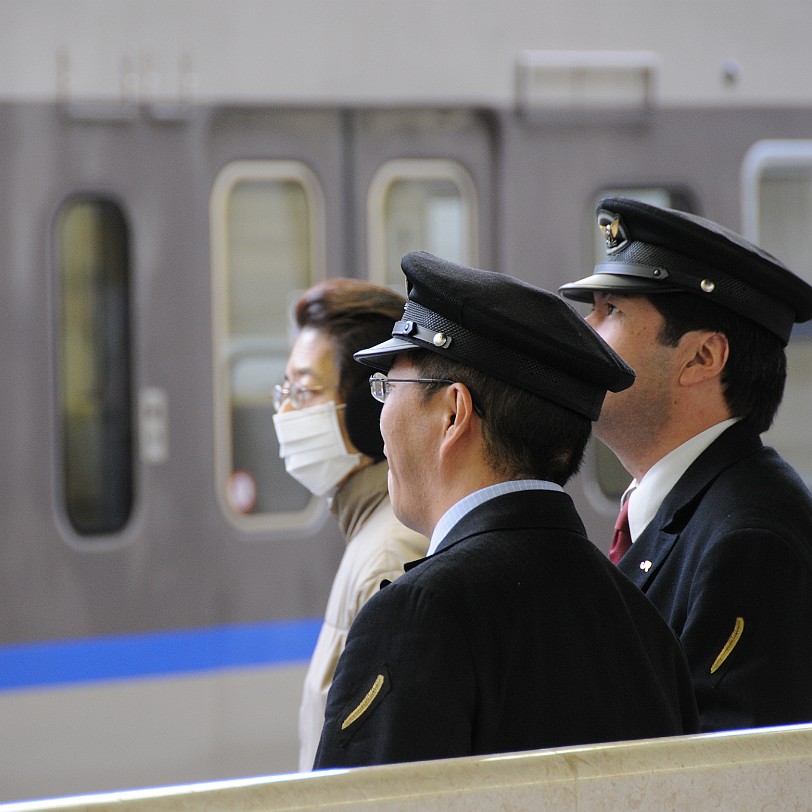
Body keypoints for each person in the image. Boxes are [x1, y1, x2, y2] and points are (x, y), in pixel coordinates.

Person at [312, 251, 698, 770]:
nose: (380, 424)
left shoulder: (418, 616)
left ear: (453, 412)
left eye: (387, 388)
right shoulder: (642, 624)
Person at [559, 195, 812, 732]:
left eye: (612, 311)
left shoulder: (750, 541)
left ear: (702, 358)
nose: (585, 330)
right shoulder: (707, 511)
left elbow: (733, 780)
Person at [272, 278, 429, 771]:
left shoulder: (390, 552)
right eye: (285, 390)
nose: (285, 411)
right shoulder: (372, 533)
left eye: (304, 391)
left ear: (367, 409)